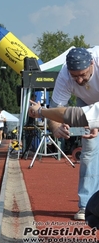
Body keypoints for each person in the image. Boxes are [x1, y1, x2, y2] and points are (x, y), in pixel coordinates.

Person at [35, 47, 99, 221]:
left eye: (83, 74)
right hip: (85, 102)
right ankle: (86, 205)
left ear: (92, 63)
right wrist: (56, 128)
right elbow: (57, 110)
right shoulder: (65, 75)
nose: (79, 79)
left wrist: (95, 123)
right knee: (89, 153)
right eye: (74, 76)